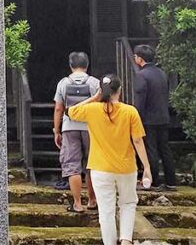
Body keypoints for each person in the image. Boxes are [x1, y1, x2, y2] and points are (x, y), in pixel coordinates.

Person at [68, 74, 152, 245]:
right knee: (128, 203)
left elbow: (71, 112)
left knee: (105, 210)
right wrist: (147, 167)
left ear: (102, 91)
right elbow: (137, 140)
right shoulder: (130, 111)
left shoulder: (92, 110)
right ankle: (126, 240)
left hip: (100, 168)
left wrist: (94, 98)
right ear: (119, 90)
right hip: (126, 167)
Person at [53, 51, 100, 212]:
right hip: (90, 128)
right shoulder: (95, 83)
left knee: (72, 165)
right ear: (87, 65)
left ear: (71, 65)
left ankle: (77, 203)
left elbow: (59, 108)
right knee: (91, 164)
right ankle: (92, 200)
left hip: (70, 127)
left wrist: (56, 130)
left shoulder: (63, 83)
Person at [132, 44, 176, 190]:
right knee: (165, 148)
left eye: (136, 56)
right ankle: (171, 181)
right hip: (163, 116)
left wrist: (136, 118)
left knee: (151, 149)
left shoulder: (141, 76)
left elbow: (140, 101)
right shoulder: (162, 73)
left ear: (139, 59)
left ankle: (154, 180)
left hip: (148, 118)